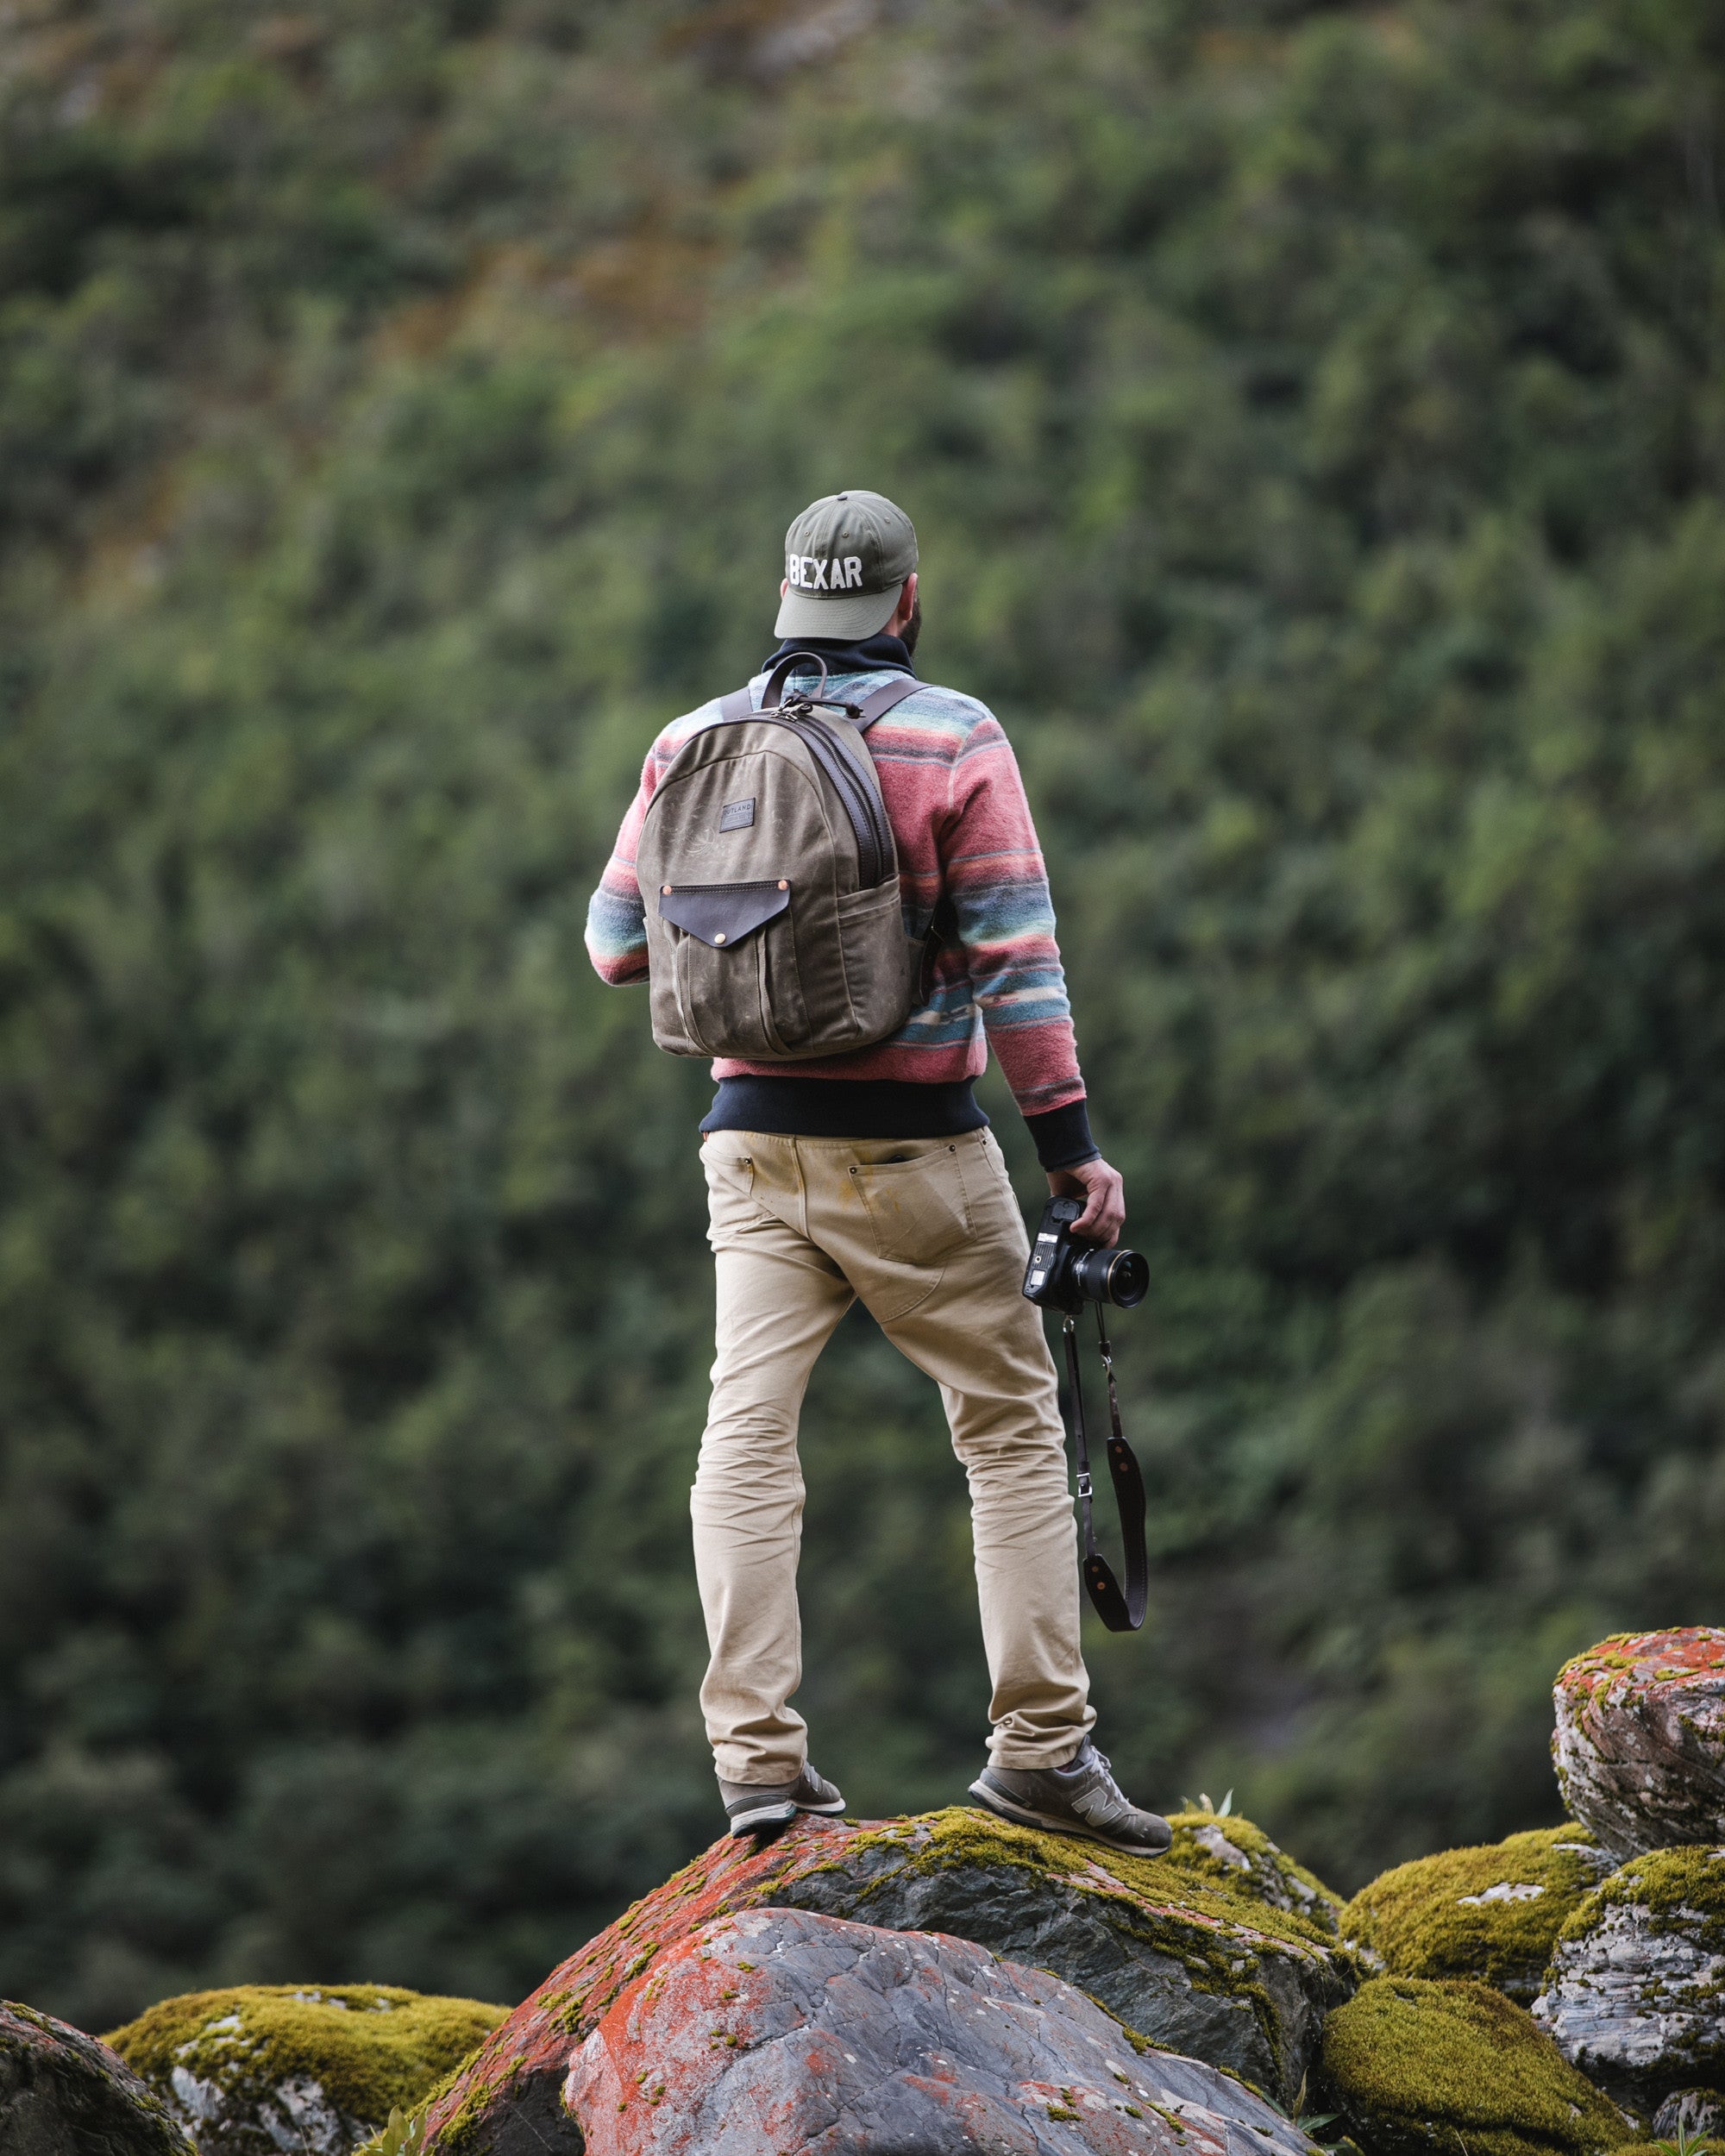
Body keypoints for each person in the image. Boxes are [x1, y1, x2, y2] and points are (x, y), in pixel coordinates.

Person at [585, 490, 1170, 1857]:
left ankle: (759, 1776)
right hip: (914, 1150)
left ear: (792, 599)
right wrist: (1074, 1153)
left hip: (748, 1147)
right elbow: (1020, 967)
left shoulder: (692, 740)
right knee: (1011, 1424)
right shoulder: (953, 734)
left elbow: (617, 944)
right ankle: (1040, 1753)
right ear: (904, 601)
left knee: (746, 1437)